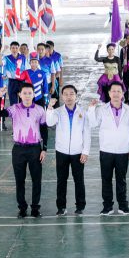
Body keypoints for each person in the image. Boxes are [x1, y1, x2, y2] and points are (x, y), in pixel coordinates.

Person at [88, 81, 129, 216]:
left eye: (119, 91)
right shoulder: (102, 109)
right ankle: (107, 206)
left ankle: (123, 206)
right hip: (106, 150)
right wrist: (91, 109)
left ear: (123, 94)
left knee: (122, 179)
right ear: (109, 93)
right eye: (113, 91)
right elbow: (92, 124)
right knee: (106, 179)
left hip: (122, 150)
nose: (116, 94)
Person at [2, 83, 47, 218]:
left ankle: (35, 208)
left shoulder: (40, 110)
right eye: (24, 93)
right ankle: (22, 208)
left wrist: (44, 149)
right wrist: (0, 97)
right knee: (19, 180)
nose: (27, 96)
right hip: (18, 149)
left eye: (30, 93)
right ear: (19, 95)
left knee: (36, 180)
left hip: (35, 149)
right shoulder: (14, 109)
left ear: (34, 94)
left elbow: (44, 129)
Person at [46, 85, 91, 215]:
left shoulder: (83, 112)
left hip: (78, 152)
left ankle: (80, 206)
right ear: (62, 97)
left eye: (71, 94)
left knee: (79, 180)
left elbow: (86, 133)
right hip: (62, 152)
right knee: (61, 180)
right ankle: (61, 207)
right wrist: (49, 108)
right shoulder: (57, 112)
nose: (69, 97)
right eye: (65, 94)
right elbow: (49, 122)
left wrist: (85, 151)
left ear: (76, 96)